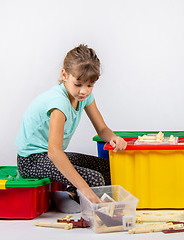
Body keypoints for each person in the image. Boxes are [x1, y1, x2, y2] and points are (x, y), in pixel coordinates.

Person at [15, 44, 127, 213]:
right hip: (31, 160)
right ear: (64, 75)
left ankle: (66, 193)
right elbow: (54, 153)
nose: (83, 91)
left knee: (109, 168)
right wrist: (85, 189)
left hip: (49, 156)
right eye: (78, 84)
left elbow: (102, 129)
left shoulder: (84, 97)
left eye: (89, 85)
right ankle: (68, 194)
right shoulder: (59, 103)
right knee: (95, 180)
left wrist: (114, 138)